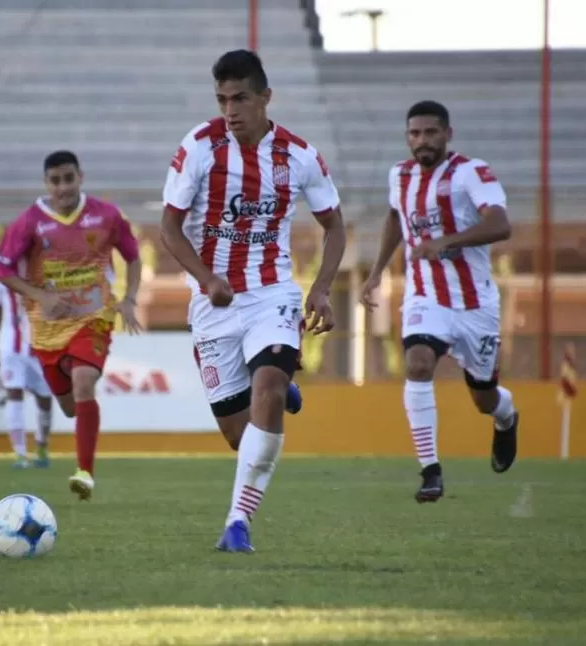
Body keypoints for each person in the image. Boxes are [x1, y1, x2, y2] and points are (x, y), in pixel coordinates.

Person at [160, 49, 347, 553]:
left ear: (266, 97)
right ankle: (280, 384)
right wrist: (205, 278)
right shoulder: (199, 148)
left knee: (265, 387)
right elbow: (169, 229)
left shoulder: (300, 155)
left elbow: (334, 225)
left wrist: (322, 287)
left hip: (272, 294)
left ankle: (237, 524)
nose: (230, 109)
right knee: (238, 437)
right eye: (222, 99)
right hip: (214, 306)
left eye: (240, 98)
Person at [361, 100, 520, 504]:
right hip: (425, 296)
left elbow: (500, 225)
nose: (422, 141)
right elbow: (396, 218)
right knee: (417, 364)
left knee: (484, 398)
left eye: (431, 132)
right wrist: (377, 271)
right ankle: (430, 471)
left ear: (448, 134)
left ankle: (506, 418)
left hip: (475, 305)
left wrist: (446, 242)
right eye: (414, 133)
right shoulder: (399, 176)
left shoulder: (471, 172)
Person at [0, 150, 142, 501]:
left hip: (94, 317)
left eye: (68, 179)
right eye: (55, 181)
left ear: (81, 177)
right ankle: (80, 436)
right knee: (70, 406)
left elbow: (133, 256)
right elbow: (2, 270)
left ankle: (85, 473)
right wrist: (39, 296)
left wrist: (130, 298)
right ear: (46, 183)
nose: (63, 187)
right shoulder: (28, 222)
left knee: (84, 381)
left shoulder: (106, 216)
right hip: (47, 329)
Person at [0, 267, 54, 468]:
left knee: (45, 398)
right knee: (13, 394)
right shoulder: (1, 269)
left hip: (41, 346)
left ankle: (41, 445)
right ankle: (20, 453)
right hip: (11, 347)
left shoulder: (45, 264)